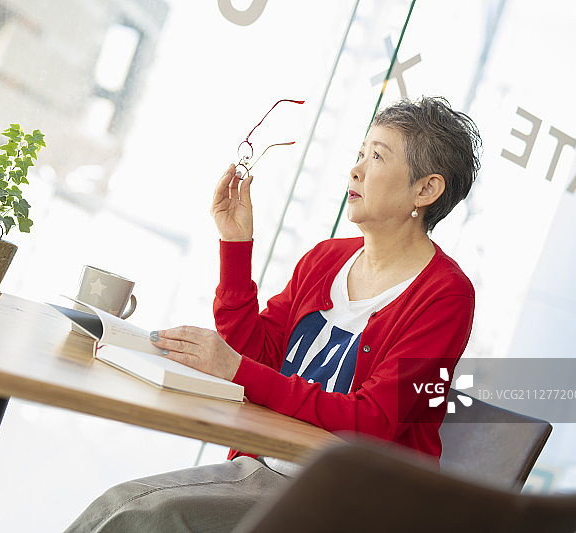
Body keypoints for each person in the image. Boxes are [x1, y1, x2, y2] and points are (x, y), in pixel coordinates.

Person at [64, 95, 482, 532]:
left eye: (377, 157)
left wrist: (236, 369)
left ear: (426, 189)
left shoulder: (446, 296)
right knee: (125, 507)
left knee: (142, 514)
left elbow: (373, 422)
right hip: (266, 472)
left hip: (354, 504)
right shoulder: (326, 258)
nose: (356, 169)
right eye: (360, 153)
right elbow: (257, 352)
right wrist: (236, 245)